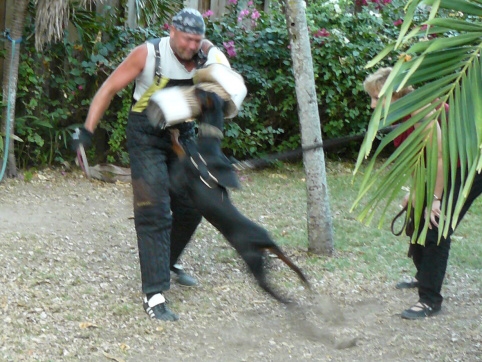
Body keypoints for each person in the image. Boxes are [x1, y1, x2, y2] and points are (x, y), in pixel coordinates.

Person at [71, 8, 232, 321]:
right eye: (186, 39)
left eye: (197, 41)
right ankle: (154, 293)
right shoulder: (148, 54)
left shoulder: (204, 52)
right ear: (171, 31)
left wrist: (215, 59)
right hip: (145, 134)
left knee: (192, 205)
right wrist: (87, 131)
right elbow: (108, 89)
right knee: (153, 210)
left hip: (181, 132)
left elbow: (222, 77)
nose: (191, 47)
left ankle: (168, 261)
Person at [363, 67, 482, 320]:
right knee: (415, 216)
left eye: (378, 98)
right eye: (372, 98)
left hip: (468, 167)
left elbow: (440, 157)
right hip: (445, 165)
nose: (373, 106)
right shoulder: (401, 114)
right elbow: (419, 157)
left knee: (435, 226)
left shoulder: (421, 111)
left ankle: (430, 300)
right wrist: (416, 192)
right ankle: (423, 274)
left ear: (397, 95)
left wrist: (435, 200)